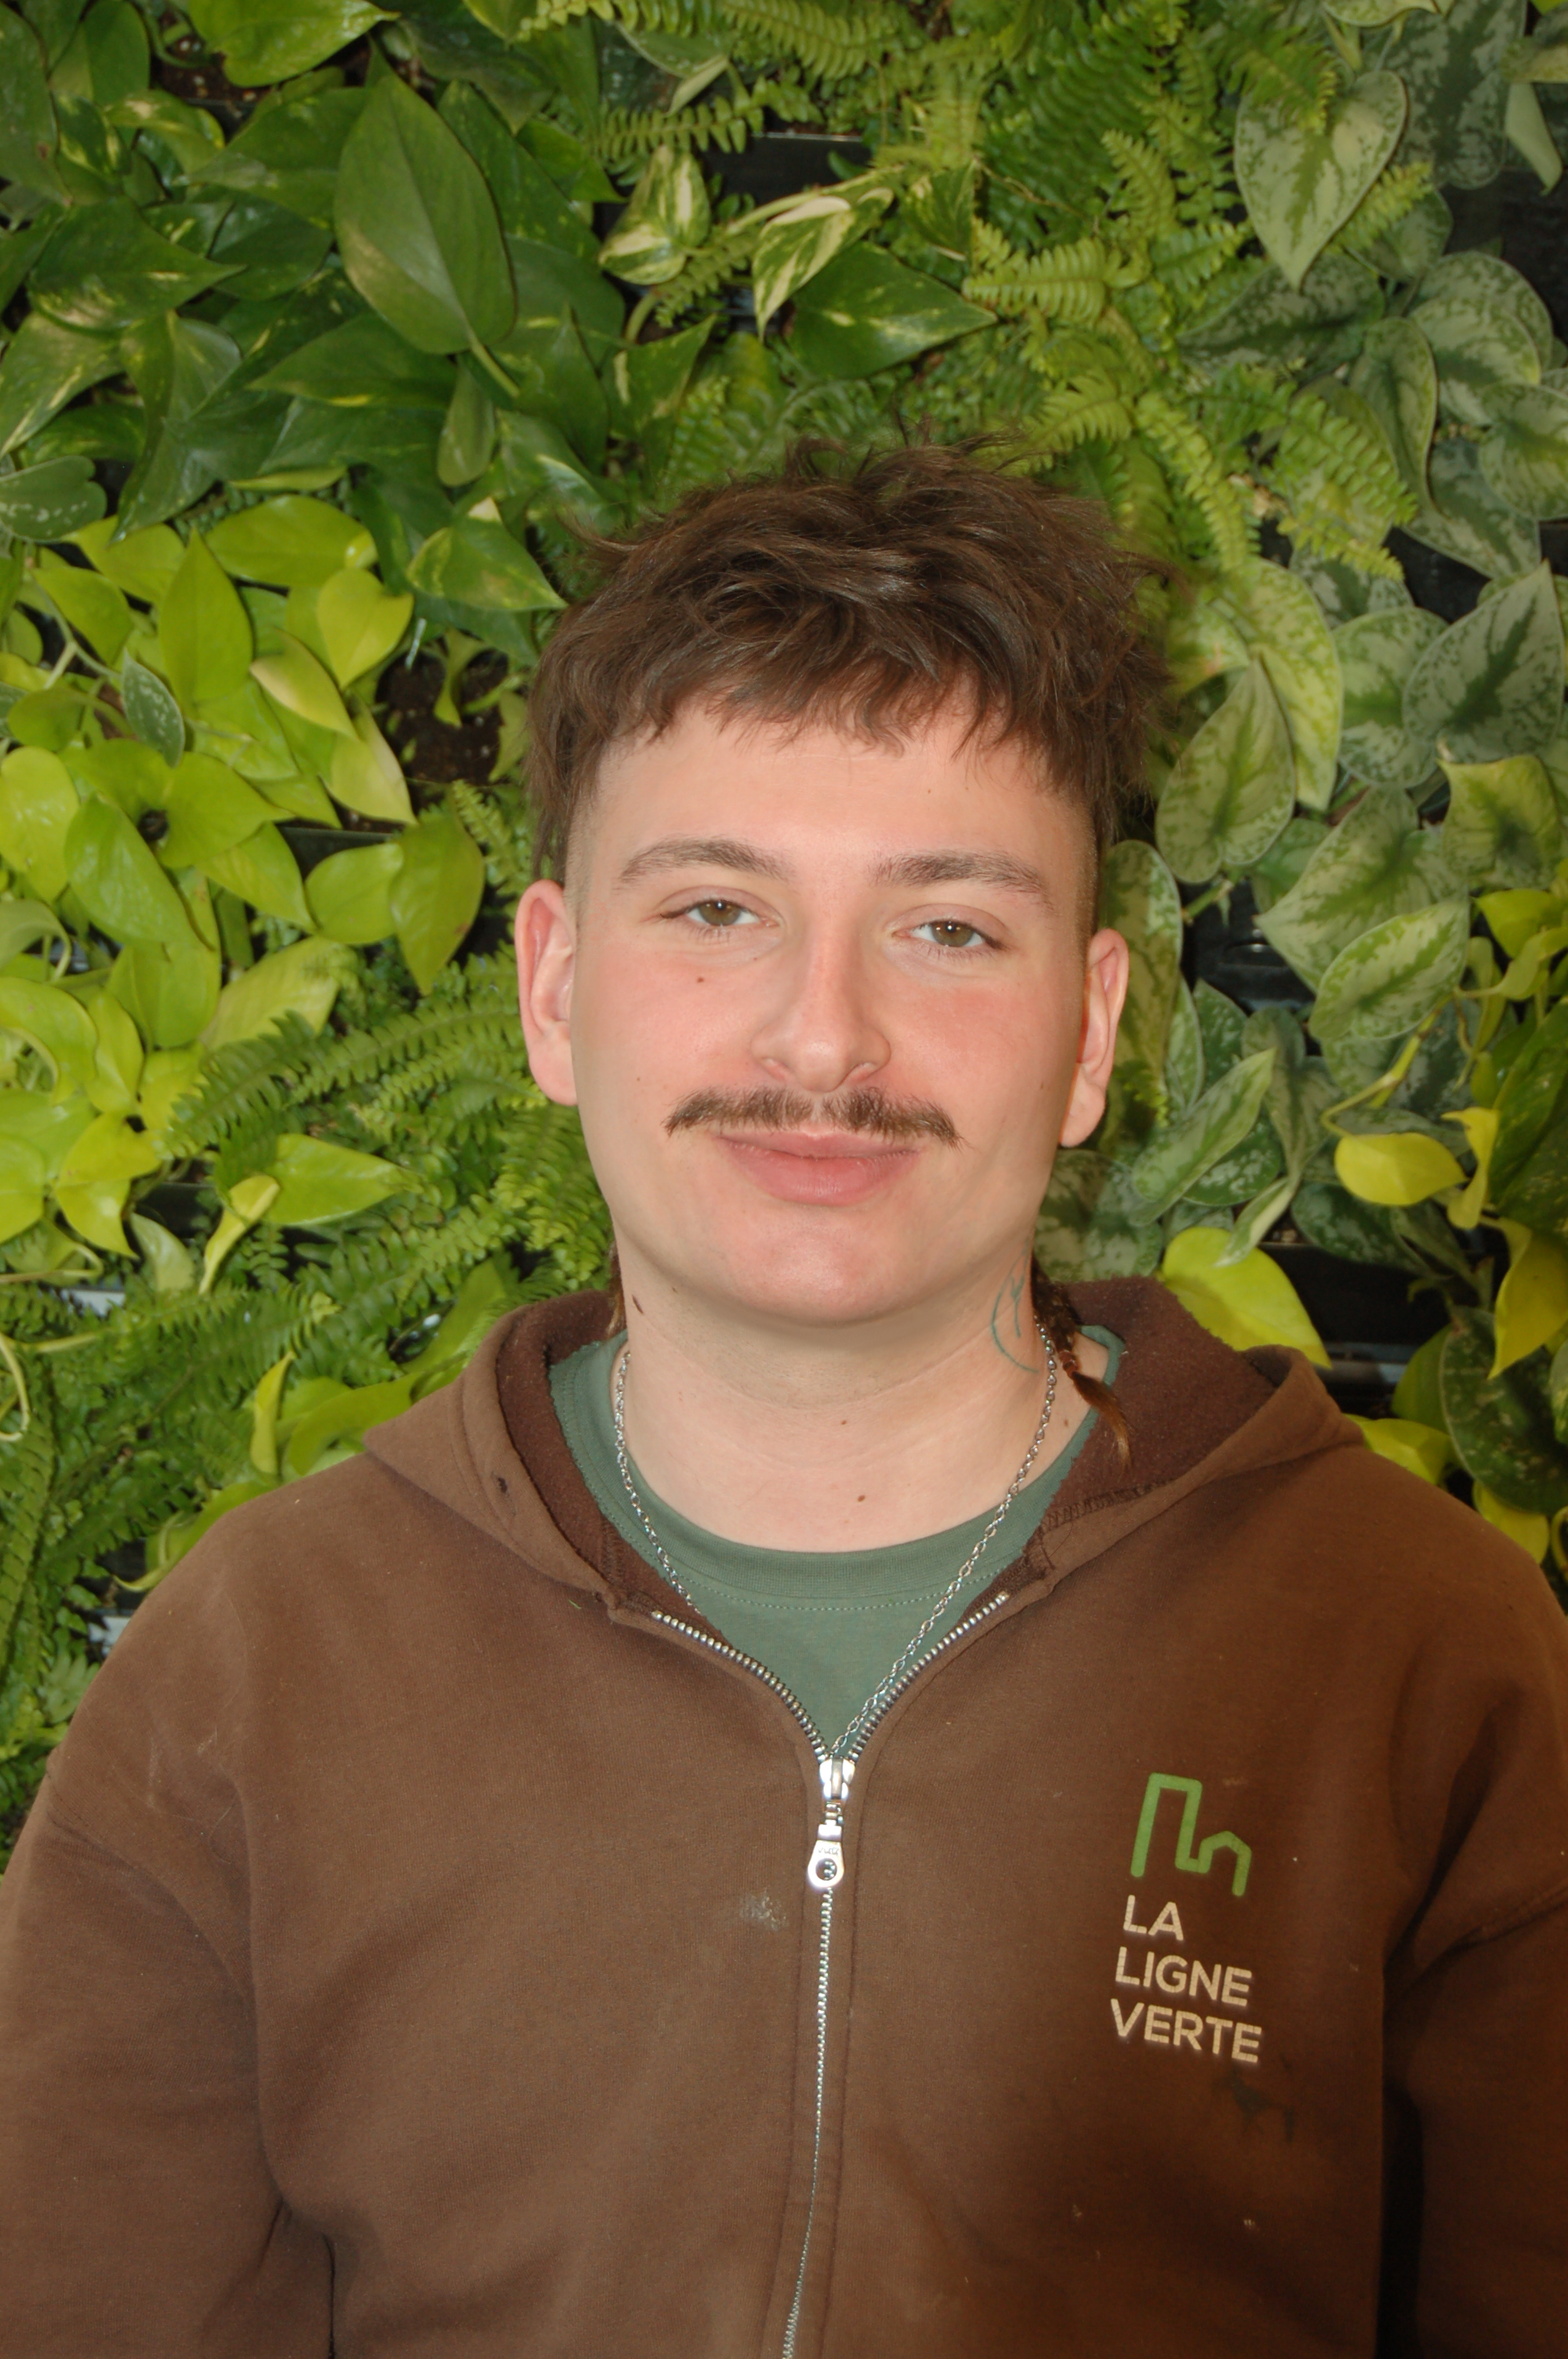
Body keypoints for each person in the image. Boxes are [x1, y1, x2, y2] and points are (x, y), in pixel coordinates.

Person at [2, 443, 1565, 2359]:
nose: (825, 1035)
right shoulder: (255, 1673)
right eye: (715, 909)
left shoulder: (1423, 1657)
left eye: (948, 927)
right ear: (553, 989)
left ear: (1090, 1033)